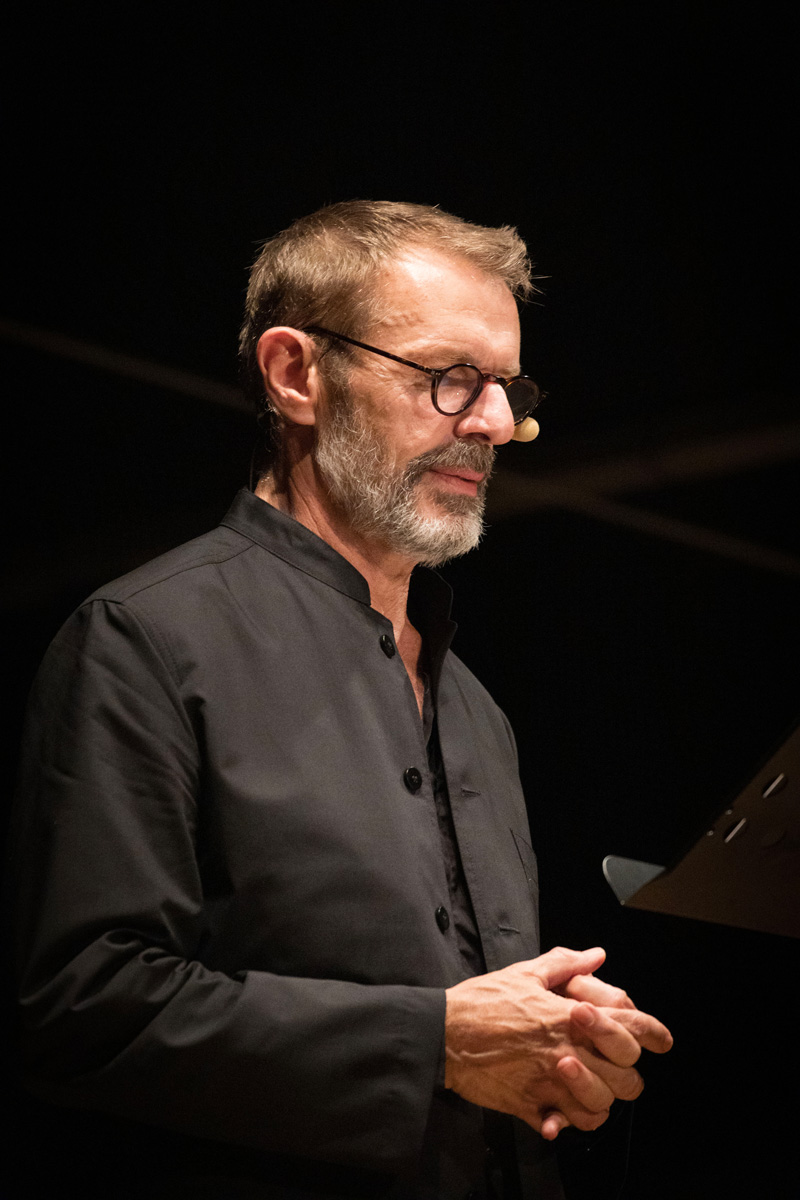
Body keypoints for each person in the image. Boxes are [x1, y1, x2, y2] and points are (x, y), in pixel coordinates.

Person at [11, 201, 672, 1200]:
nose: (494, 424)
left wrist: (560, 1048)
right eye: (450, 377)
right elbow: (82, 1009)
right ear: (296, 374)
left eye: (507, 388)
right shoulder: (147, 639)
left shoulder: (476, 710)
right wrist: (433, 1043)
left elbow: (482, 1034)